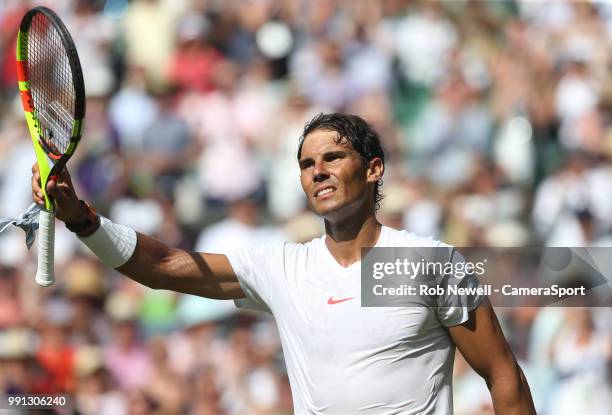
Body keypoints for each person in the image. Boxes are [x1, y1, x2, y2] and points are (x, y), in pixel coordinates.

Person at [32, 113, 536, 414]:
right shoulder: (283, 269)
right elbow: (163, 265)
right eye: (306, 164)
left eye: (332, 158)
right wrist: (82, 218)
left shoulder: (427, 262)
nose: (317, 171)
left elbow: (503, 377)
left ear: (374, 168)